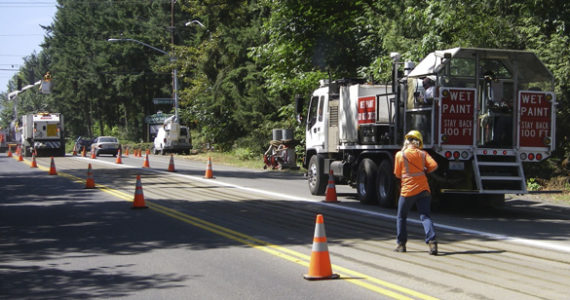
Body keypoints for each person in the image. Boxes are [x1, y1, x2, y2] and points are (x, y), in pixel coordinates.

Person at [393, 130, 439, 255]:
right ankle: (432, 243)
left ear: (407, 141)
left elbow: (397, 174)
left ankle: (401, 244)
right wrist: (425, 169)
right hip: (424, 189)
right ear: (419, 142)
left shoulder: (400, 155)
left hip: (408, 191)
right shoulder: (423, 154)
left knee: (401, 216)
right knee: (425, 216)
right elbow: (434, 165)